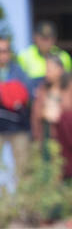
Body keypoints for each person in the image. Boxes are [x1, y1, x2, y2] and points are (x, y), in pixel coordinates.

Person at [31, 55, 72, 181]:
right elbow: (36, 113)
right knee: (51, 174)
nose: (47, 73)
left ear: (60, 69)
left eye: (50, 69)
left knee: (71, 175)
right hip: (49, 138)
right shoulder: (43, 88)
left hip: (69, 140)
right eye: (46, 69)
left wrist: (61, 116)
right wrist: (44, 115)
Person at [0, 36, 32, 178]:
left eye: (5, 51)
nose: (2, 54)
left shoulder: (18, 71)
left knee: (22, 168)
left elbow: (28, 95)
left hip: (17, 127)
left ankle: (22, 200)